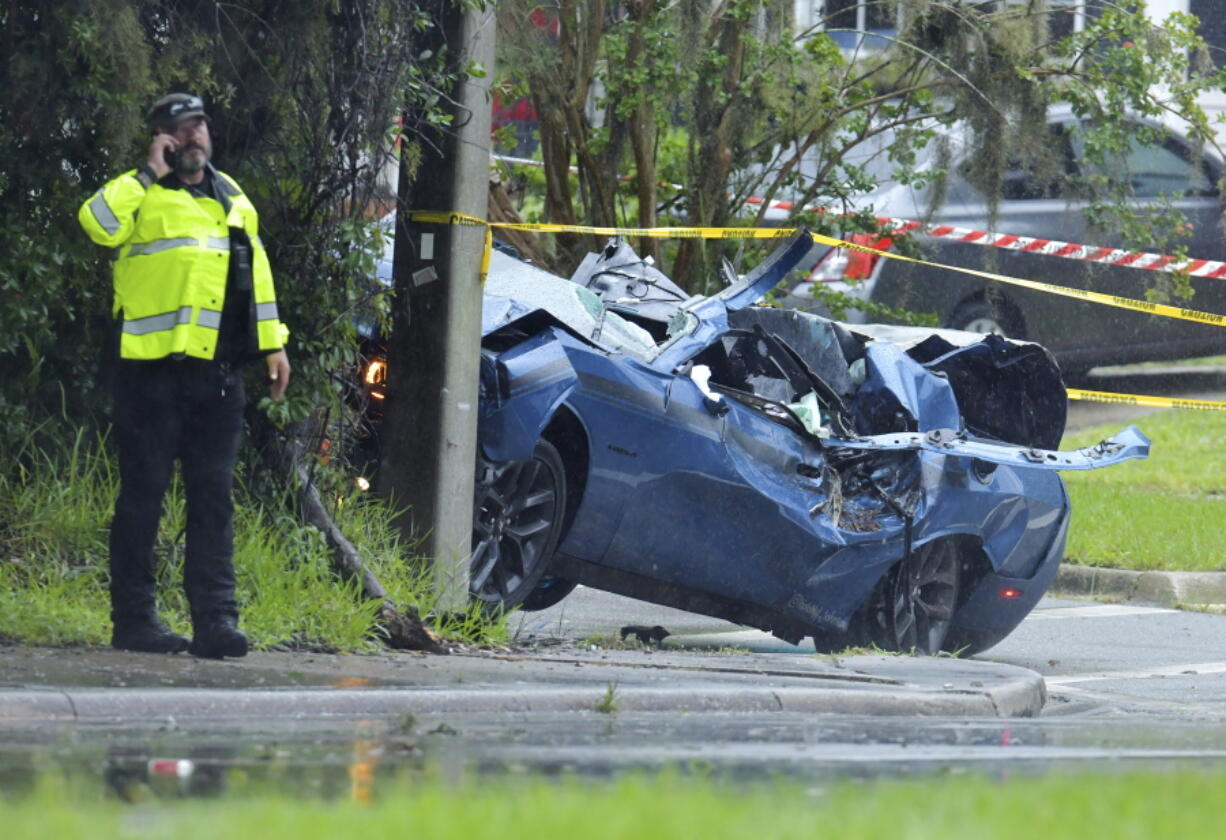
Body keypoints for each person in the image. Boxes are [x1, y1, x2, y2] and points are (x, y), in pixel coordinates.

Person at [78, 93, 291, 658]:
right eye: (178, 131)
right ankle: (135, 622)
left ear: (209, 137)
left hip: (217, 377)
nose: (191, 138)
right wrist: (148, 172)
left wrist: (273, 344)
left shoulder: (233, 198)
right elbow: (95, 223)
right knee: (143, 498)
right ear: (162, 140)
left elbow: (258, 274)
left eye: (198, 128)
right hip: (148, 376)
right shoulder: (140, 195)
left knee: (213, 499)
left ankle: (216, 623)